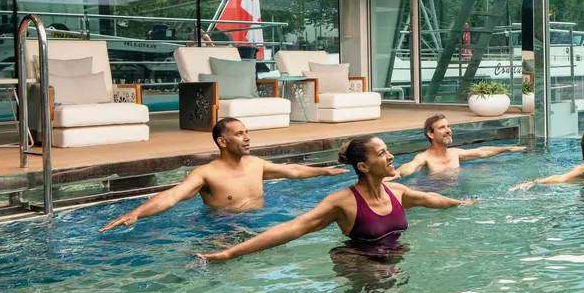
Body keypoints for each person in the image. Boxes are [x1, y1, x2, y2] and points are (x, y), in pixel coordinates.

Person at [196, 135, 478, 262]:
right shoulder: (342, 202)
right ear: (363, 166)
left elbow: (430, 199)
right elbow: (292, 228)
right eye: (382, 153)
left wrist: (462, 204)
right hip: (358, 263)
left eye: (387, 150)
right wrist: (230, 253)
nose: (391, 156)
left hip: (393, 259)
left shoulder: (398, 192)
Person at [98, 117, 346, 232]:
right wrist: (136, 213)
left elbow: (292, 170)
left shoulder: (256, 164)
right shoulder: (206, 173)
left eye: (247, 132)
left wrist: (325, 170)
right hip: (221, 228)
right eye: (239, 134)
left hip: (260, 223)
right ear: (222, 142)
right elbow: (173, 196)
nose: (247, 138)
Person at [392, 114, 525, 177]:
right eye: (442, 128)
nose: (448, 130)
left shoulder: (455, 153)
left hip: (459, 189)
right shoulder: (424, 158)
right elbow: (410, 166)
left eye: (448, 126)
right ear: (431, 134)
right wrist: (395, 174)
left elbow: (481, 152)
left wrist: (507, 149)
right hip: (435, 192)